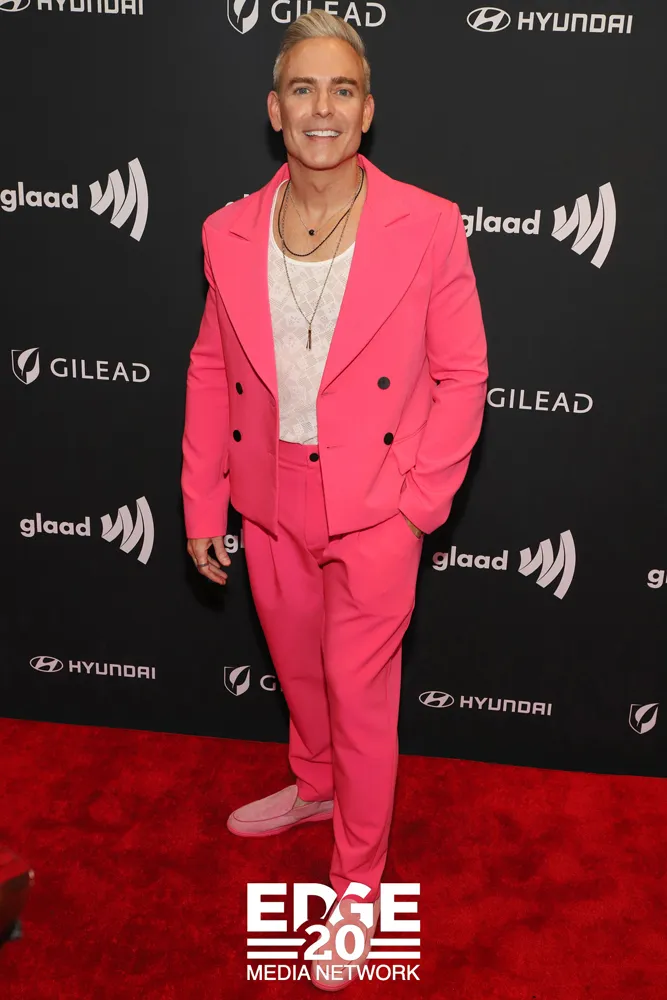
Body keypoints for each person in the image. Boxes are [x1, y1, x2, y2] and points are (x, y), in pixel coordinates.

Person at [181, 10, 488, 990]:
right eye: (303, 88)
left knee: (360, 700)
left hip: (377, 504)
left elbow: (463, 373)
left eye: (342, 89)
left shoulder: (427, 224)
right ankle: (313, 786)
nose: (323, 106)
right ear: (275, 111)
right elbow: (210, 366)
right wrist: (203, 502)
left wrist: (416, 505)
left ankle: (357, 884)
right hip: (267, 496)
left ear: (367, 111)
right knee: (301, 674)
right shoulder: (227, 230)